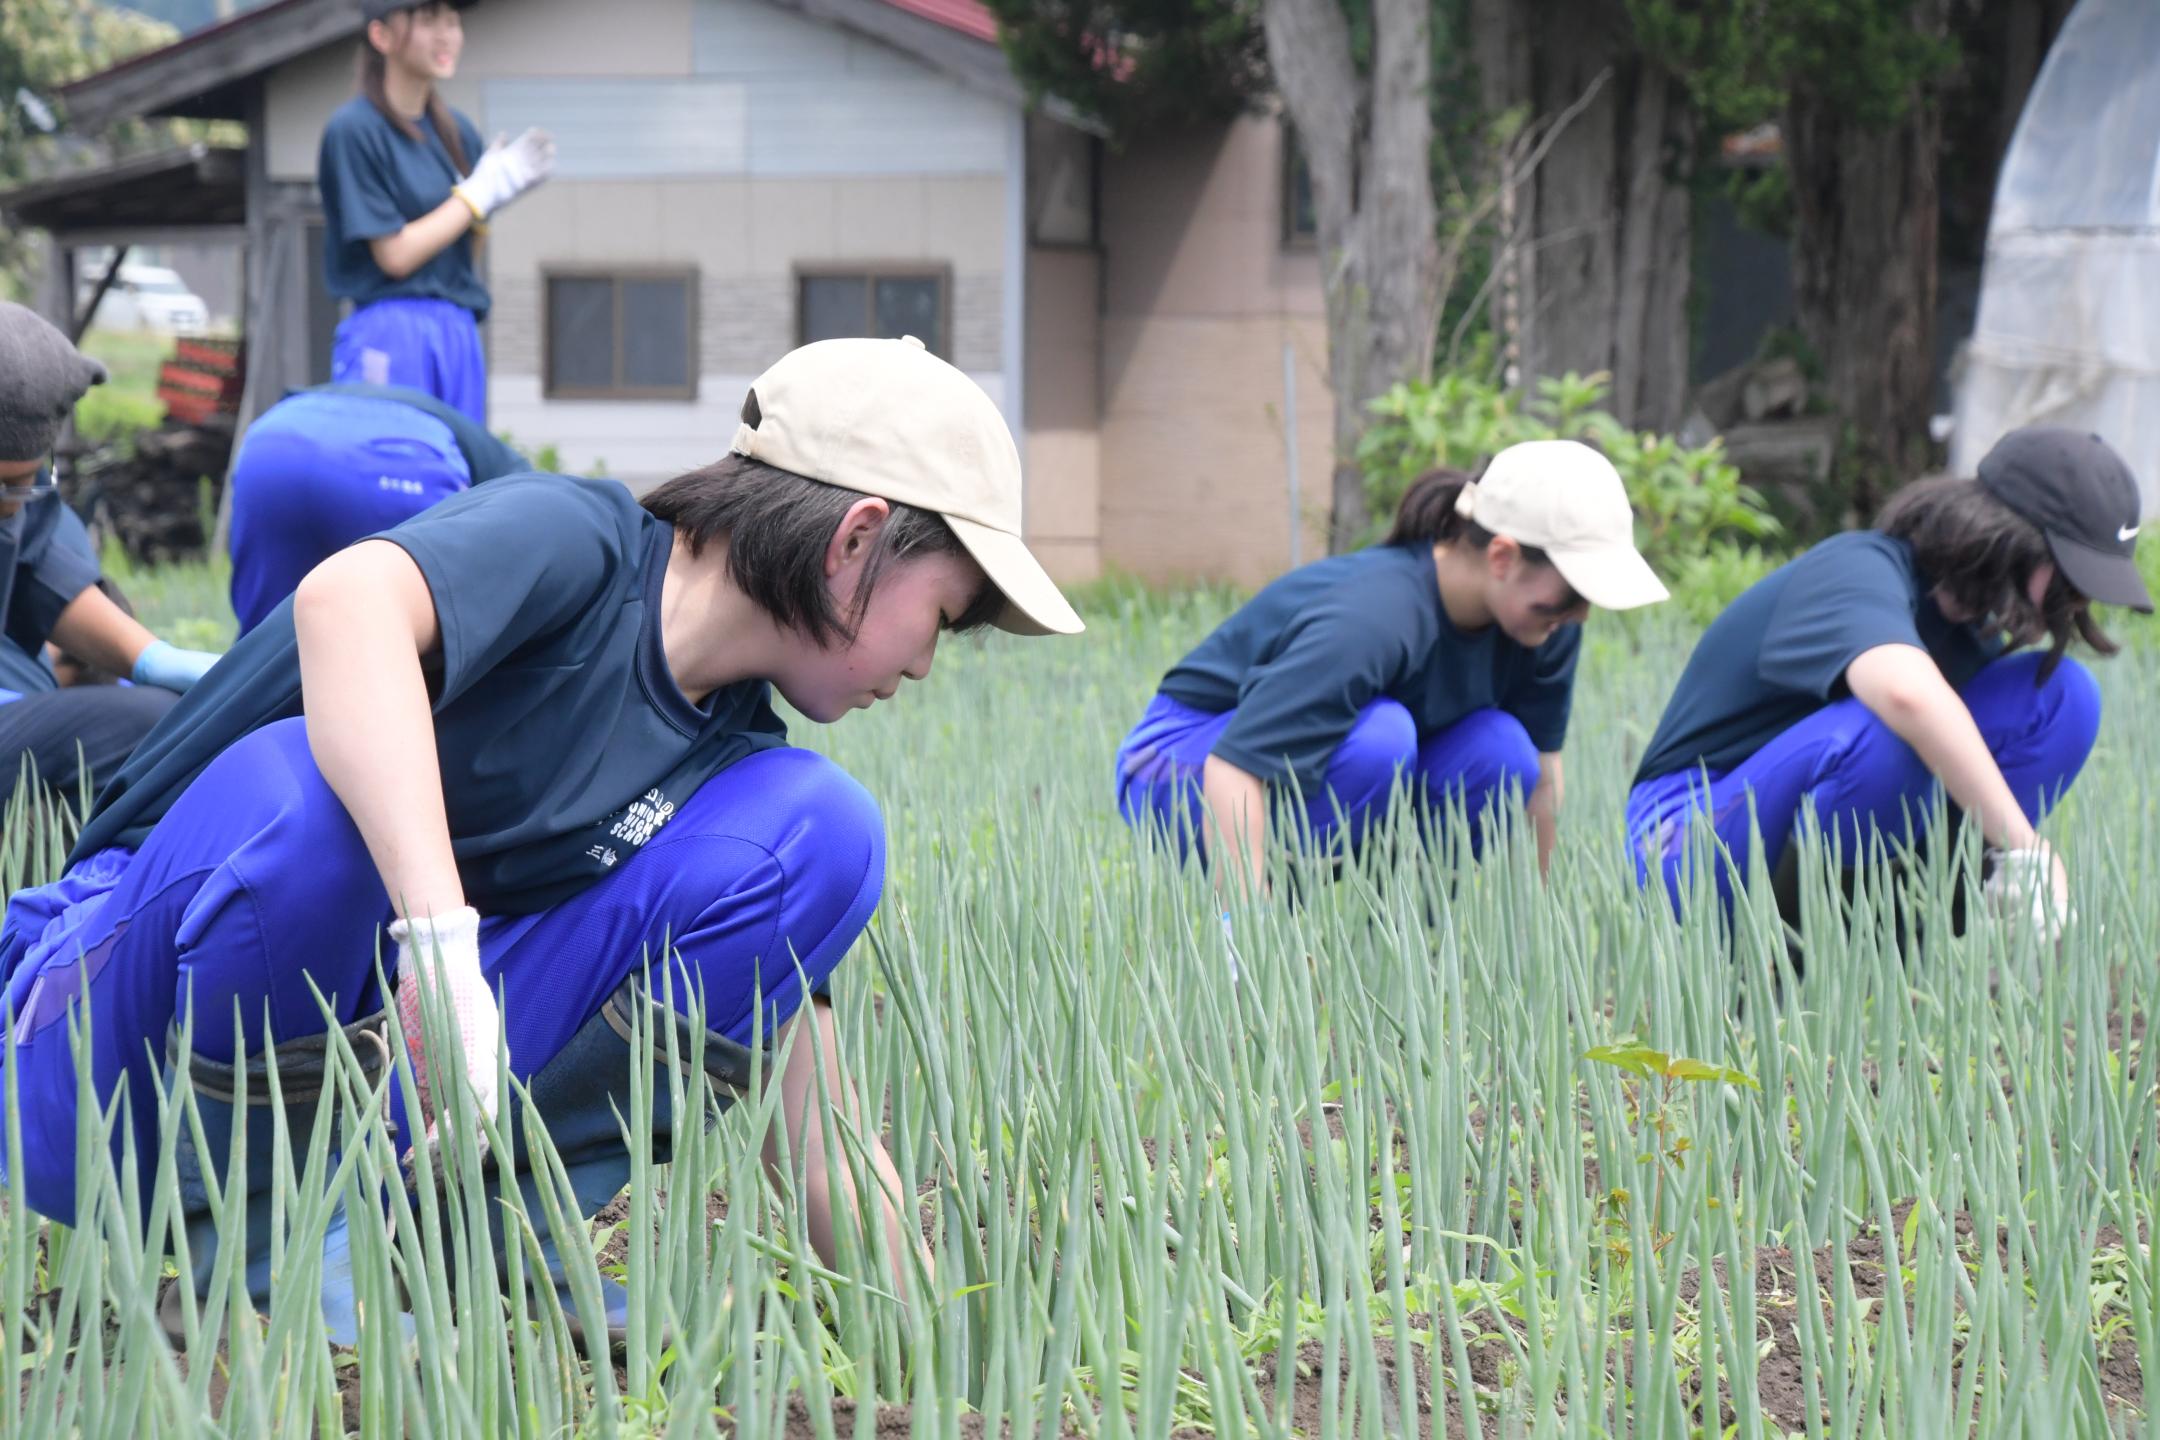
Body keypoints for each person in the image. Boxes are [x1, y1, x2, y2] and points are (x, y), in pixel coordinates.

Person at [0, 335, 1083, 1345]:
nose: (929, 664)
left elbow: (821, 1135)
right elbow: (346, 600)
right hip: (100, 1035)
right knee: (312, 799)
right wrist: (438, 941)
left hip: (362, 1097)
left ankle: (473, 1237)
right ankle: (243, 1252)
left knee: (823, 832)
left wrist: (943, 1347)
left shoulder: (734, 758)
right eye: (942, 618)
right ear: (857, 540)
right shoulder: (582, 542)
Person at [1626, 427, 2149, 942]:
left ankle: (1903, 946)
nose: (2077, 604)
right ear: (2011, 538)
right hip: (1683, 841)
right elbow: (1904, 696)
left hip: (1796, 826)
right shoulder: (1857, 569)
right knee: (1889, 732)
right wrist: (2026, 847)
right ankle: (1780, 971)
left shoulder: (1974, 638)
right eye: (2074, 580)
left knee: (2062, 700)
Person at [1115, 441, 1669, 895]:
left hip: (1318, 764)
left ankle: (1382, 951)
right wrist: (1245, 941)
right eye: (1572, 591)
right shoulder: (1375, 617)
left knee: (1504, 754)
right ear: (1503, 557)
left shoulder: (1543, 623)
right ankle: (1279, 932)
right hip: (1181, 762)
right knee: (1382, 740)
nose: (1579, 614)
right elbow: (1236, 768)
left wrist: (1543, 937)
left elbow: (1541, 784)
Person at [0, 303, 223, 811]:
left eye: (22, 483)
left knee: (180, 713)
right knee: (143, 725)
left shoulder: (19, 495)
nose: (11, 503)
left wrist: (152, 659)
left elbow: (40, 571)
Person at [318, 0, 555, 422]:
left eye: (453, 20)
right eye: (428, 20)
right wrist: (476, 195)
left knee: (461, 479)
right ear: (381, 35)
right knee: (393, 471)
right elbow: (394, 256)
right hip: (391, 329)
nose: (447, 34)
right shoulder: (354, 130)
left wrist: (484, 204)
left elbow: (465, 257)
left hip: (458, 329)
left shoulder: (458, 132)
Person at [227, 381, 526, 634]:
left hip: (274, 443)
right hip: (395, 458)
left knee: (263, 638)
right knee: (414, 641)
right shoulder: (521, 486)